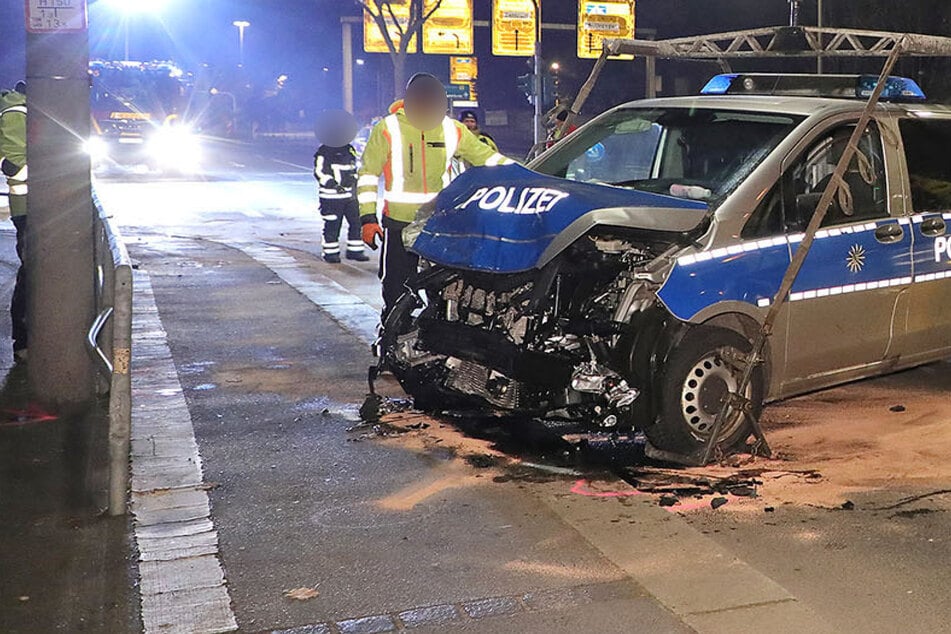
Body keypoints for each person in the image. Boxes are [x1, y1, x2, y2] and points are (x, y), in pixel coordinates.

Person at [357, 74, 511, 320]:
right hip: (399, 222)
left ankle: (435, 340)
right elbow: (367, 175)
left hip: (438, 222)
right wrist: (367, 219)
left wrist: (523, 174)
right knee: (396, 287)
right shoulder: (388, 128)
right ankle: (392, 337)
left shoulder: (451, 129)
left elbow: (486, 158)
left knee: (442, 286)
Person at [0, 81, 27, 362]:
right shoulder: (17, 111)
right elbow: (14, 164)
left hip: (35, 206)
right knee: (32, 273)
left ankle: (25, 342)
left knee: (33, 272)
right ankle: (24, 343)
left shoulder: (22, 109)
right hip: (30, 206)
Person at [314, 140, 367, 263]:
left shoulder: (349, 149)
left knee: (357, 222)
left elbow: (355, 167)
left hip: (351, 196)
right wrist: (333, 184)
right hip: (331, 198)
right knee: (332, 225)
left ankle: (355, 251)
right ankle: (330, 253)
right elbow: (319, 172)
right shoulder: (324, 151)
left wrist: (354, 179)